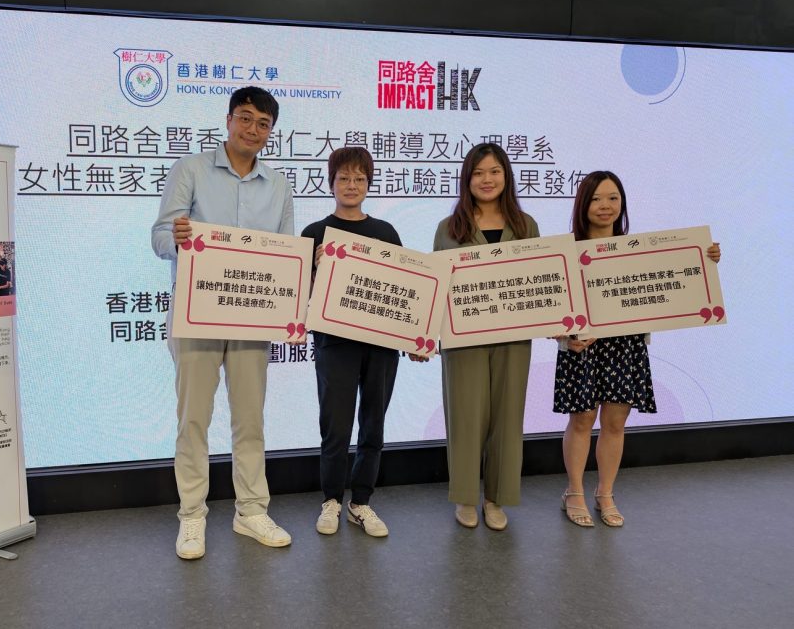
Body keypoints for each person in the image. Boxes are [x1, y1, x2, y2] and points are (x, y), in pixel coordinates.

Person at [151, 87, 294, 560]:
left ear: (270, 132)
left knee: (250, 420)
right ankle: (192, 516)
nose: (253, 130)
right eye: (246, 119)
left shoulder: (278, 186)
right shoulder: (190, 169)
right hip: (197, 317)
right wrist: (177, 237)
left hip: (254, 320)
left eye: (263, 124)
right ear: (228, 120)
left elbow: (287, 255)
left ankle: (250, 510)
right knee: (193, 419)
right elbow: (159, 236)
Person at [555, 171, 720, 528]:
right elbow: (552, 305)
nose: (605, 206)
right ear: (583, 204)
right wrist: (565, 338)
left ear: (622, 204)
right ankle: (574, 492)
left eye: (613, 198)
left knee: (615, 422)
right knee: (581, 420)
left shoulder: (640, 250)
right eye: (597, 198)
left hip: (625, 347)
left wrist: (705, 259)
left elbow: (680, 275)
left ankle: (605, 494)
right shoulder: (566, 251)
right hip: (581, 348)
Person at [301, 147, 425, 538]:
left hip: (381, 346)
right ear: (331, 182)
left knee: (373, 424)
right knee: (335, 428)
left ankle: (362, 503)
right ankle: (331, 500)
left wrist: (415, 337)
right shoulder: (315, 234)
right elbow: (297, 294)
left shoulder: (386, 233)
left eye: (359, 179)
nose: (351, 186)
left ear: (368, 184)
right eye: (343, 178)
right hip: (334, 343)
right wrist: (316, 266)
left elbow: (406, 290)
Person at [433, 142, 539, 531]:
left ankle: (496, 498)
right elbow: (434, 287)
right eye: (478, 173)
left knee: (508, 416)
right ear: (467, 179)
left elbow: (544, 281)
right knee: (465, 417)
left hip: (514, 337)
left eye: (494, 171)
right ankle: (465, 497)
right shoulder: (448, 229)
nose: (487, 179)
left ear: (506, 176)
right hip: (463, 340)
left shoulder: (527, 226)